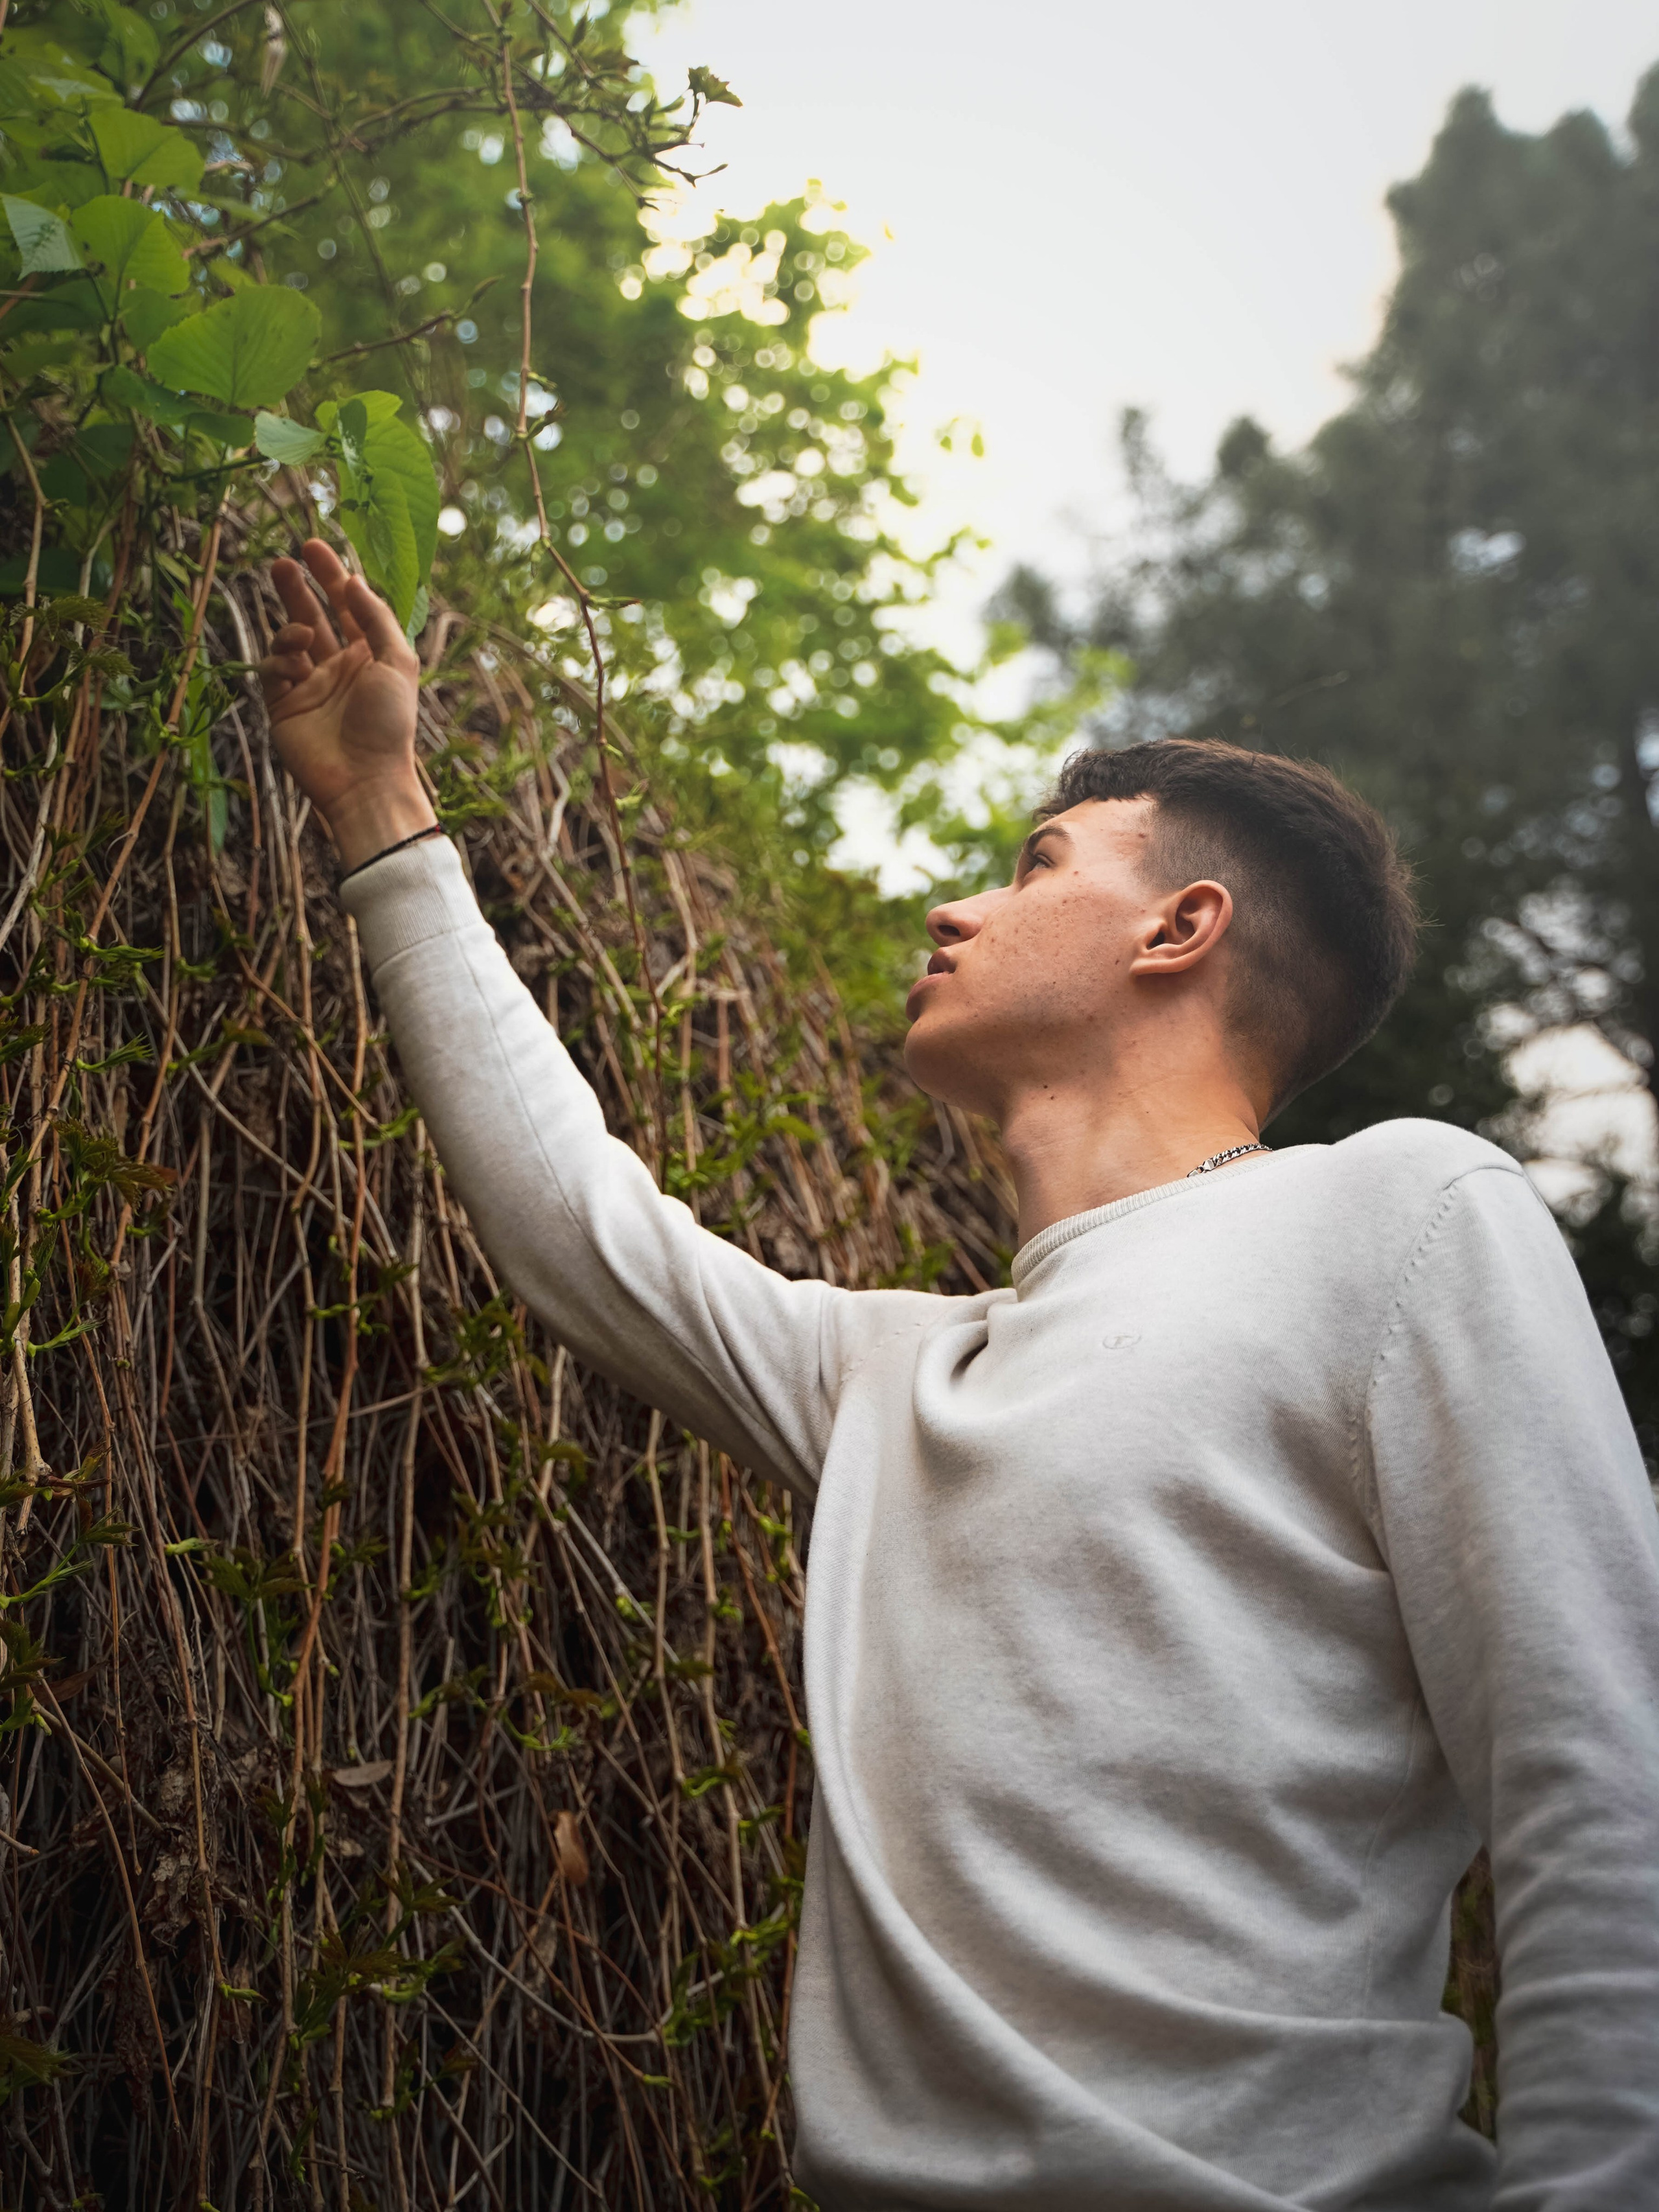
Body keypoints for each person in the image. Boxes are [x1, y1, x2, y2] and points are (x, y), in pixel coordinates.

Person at [261, 539, 1659, 2212]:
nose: (957, 904)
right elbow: (581, 1231)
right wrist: (378, 807)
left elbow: (1601, 1776)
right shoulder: (898, 1374)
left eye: (1037, 862)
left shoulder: (1403, 1216)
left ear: (1182, 926)